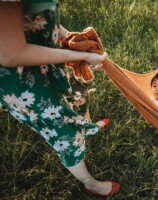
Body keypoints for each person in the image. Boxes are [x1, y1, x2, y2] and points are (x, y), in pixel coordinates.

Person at [0, 0, 120, 197]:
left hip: (46, 61)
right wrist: (74, 55)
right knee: (63, 130)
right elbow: (11, 54)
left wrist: (73, 40)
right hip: (22, 81)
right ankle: (89, 182)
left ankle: (87, 128)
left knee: (78, 96)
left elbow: (39, 14)